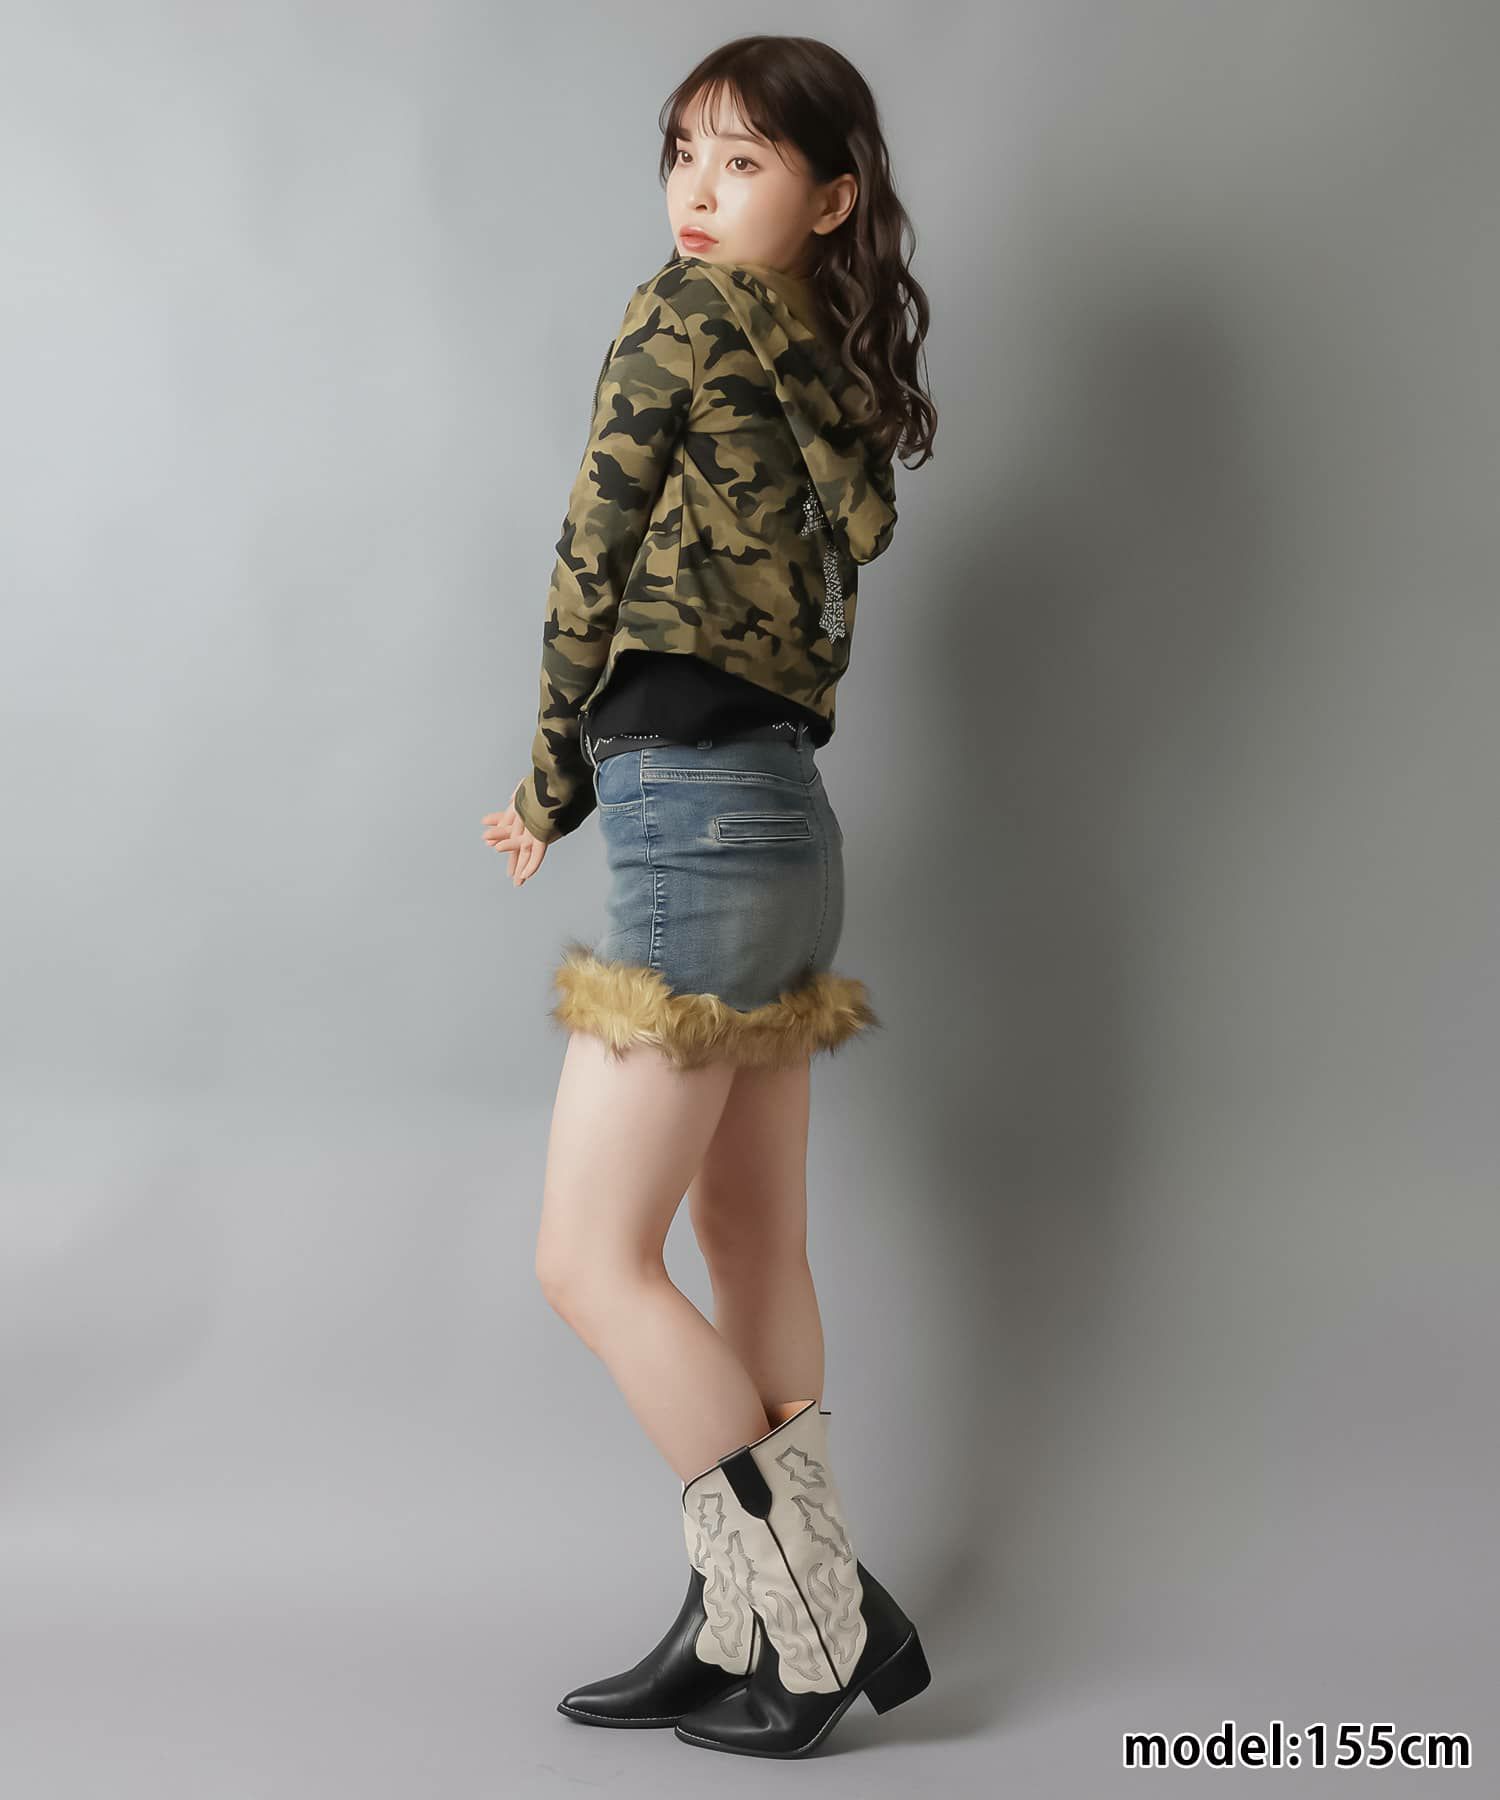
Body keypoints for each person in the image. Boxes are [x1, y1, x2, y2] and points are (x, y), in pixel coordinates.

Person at [481, 34, 937, 1758]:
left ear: (829, 198)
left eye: (744, 160)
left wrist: (550, 778)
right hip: (787, 819)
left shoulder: (681, 315)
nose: (696, 187)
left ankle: (819, 1617)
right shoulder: (827, 354)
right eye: (685, 150)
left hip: (691, 812)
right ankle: (742, 1612)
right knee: (749, 1243)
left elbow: (591, 556)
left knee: (590, 1258)